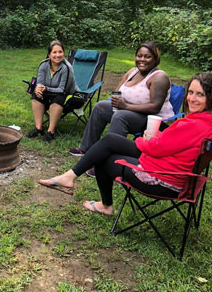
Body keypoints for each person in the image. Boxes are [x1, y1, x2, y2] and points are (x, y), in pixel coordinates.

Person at [38, 72, 212, 215]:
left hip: (160, 178)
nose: (192, 98)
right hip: (172, 170)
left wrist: (143, 140)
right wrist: (157, 137)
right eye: (190, 92)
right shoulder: (205, 122)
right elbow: (173, 143)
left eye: (200, 94)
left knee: (104, 159)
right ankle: (69, 177)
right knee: (111, 140)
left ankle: (105, 206)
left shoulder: (193, 124)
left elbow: (156, 148)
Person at [69, 42, 174, 176]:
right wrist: (116, 100)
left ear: (155, 59)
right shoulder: (132, 72)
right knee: (100, 106)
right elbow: (117, 91)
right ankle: (87, 149)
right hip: (129, 110)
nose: (142, 59)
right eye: (139, 56)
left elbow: (155, 107)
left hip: (152, 121)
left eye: (147, 57)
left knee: (121, 116)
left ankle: (106, 161)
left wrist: (125, 106)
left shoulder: (159, 77)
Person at [26, 40, 78, 142]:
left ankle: (51, 132)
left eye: (60, 52)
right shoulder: (43, 65)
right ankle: (38, 128)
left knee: (58, 98)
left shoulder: (66, 68)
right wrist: (38, 88)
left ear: (63, 53)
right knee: (36, 95)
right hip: (48, 92)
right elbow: (40, 82)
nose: (58, 55)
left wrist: (46, 89)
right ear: (49, 54)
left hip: (67, 95)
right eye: (54, 52)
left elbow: (62, 89)